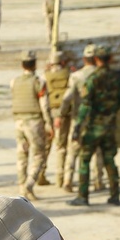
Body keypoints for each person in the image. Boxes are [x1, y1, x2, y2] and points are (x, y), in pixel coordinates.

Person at [71, 44, 120, 207]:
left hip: (93, 127)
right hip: (109, 127)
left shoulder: (93, 79)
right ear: (110, 59)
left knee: (85, 160)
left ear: (96, 59)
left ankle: (83, 196)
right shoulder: (116, 78)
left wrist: (78, 126)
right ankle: (115, 196)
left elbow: (85, 105)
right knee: (110, 161)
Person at [58, 44, 103, 195]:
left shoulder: (76, 76)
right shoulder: (103, 75)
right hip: (97, 120)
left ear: (84, 59)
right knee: (97, 152)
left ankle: (68, 181)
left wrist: (61, 113)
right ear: (97, 59)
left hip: (78, 120)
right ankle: (98, 182)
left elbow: (67, 98)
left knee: (73, 152)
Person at [10, 51, 52, 202]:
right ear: (34, 64)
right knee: (39, 155)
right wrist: (49, 124)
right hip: (34, 122)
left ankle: (22, 187)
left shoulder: (14, 81)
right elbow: (45, 106)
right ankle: (29, 185)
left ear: (22, 65)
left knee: (22, 155)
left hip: (18, 122)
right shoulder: (39, 82)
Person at [41, 48, 70, 186]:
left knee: (46, 146)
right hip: (62, 115)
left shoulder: (45, 76)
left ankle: (41, 175)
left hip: (48, 114)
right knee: (61, 147)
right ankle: (60, 178)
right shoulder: (68, 74)